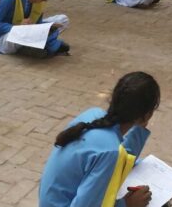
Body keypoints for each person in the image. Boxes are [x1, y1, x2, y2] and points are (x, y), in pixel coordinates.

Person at [39, 71, 160, 206]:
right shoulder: (109, 152)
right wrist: (127, 204)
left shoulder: (92, 115)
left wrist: (139, 130)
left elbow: (120, 157)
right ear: (147, 115)